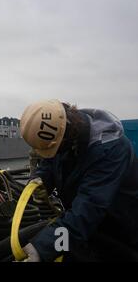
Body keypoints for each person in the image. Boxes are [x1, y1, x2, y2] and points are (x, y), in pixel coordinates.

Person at [19, 99, 138, 262]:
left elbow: (89, 209)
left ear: (65, 138)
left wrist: (42, 248)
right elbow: (51, 160)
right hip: (82, 231)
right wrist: (41, 178)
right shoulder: (68, 135)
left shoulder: (111, 150)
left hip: (117, 236)